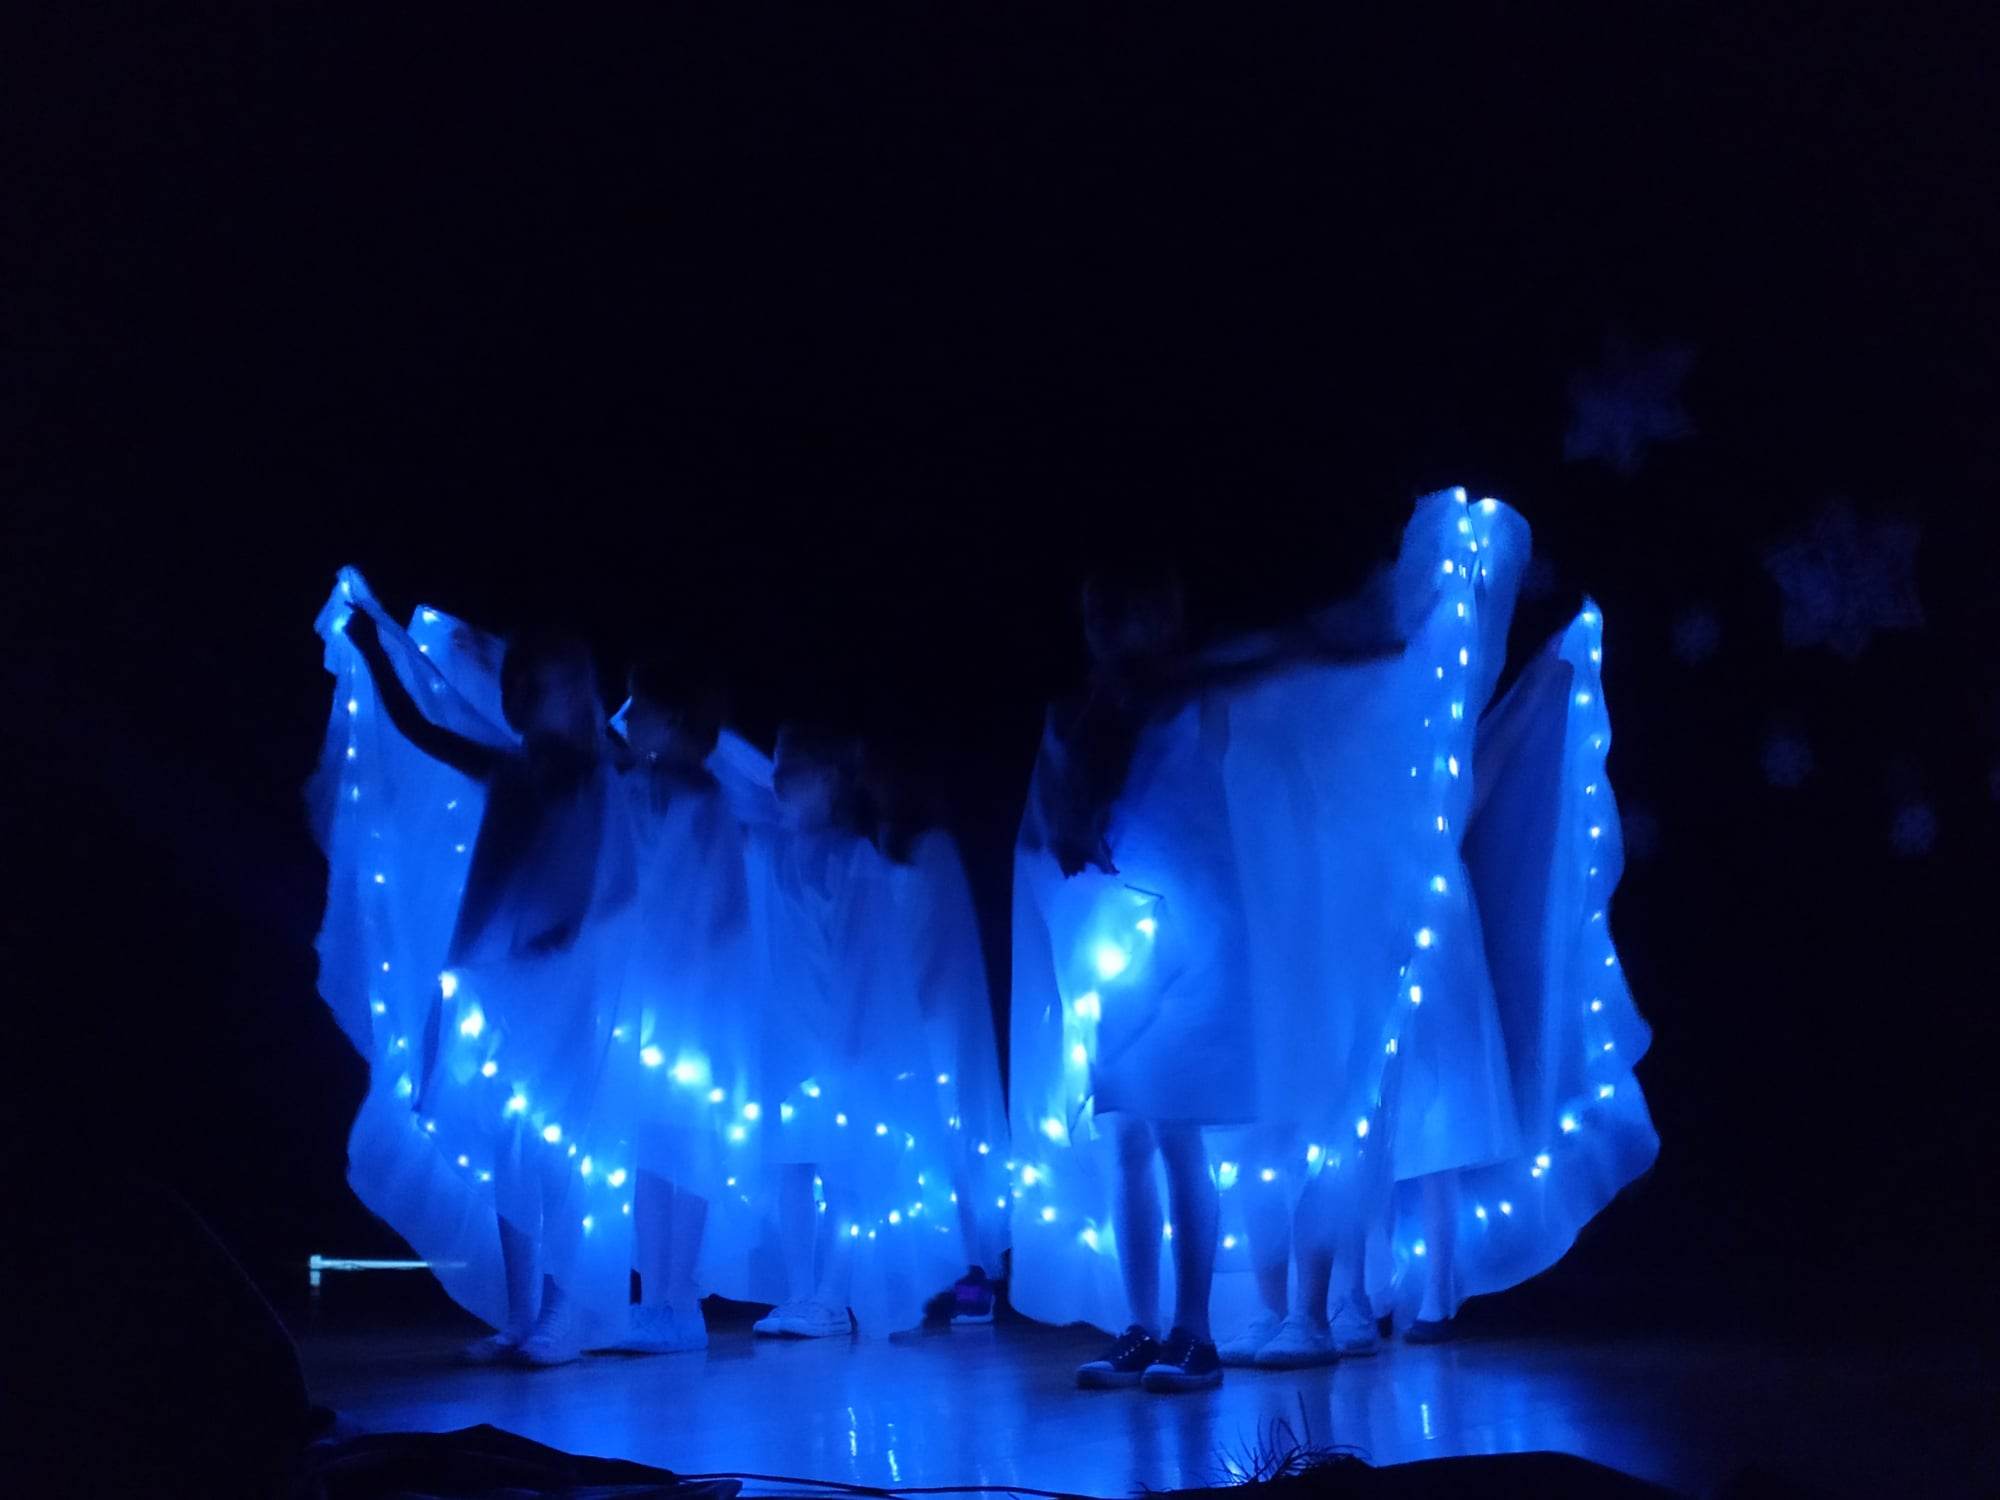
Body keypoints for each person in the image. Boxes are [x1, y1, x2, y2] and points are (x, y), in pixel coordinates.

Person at [323, 580, 634, 1367]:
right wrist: (376, 651)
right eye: (515, 682)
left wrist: (566, 936)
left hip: (562, 989)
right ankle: (523, 1313)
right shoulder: (511, 768)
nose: (521, 696)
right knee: (509, 1148)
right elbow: (422, 727)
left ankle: (565, 1309)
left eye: (540, 683)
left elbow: (609, 882)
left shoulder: (591, 775)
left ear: (575, 695)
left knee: (556, 1149)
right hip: (497, 980)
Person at [601, 665, 750, 1354]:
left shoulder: (705, 803)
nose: (626, 718)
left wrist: (701, 990)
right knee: (647, 1149)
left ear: (671, 722)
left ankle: (679, 1301)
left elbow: (727, 910)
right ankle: (654, 1297)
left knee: (684, 1143)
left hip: (691, 1006)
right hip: (641, 1001)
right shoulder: (632, 793)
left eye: (640, 708)